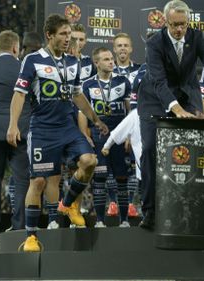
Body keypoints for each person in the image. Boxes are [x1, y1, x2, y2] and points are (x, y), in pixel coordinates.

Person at [7, 14, 108, 252]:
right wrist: (13, 124)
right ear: (49, 35)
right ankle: (31, 237)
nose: (67, 39)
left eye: (69, 34)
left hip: (67, 127)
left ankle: (69, 203)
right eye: (63, 34)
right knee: (39, 181)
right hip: (42, 129)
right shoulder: (32, 60)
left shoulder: (73, 63)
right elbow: (20, 93)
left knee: (89, 161)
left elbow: (76, 94)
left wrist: (95, 119)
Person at [137, 0, 204, 230]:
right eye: (174, 25)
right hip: (154, 101)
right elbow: (159, 82)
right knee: (150, 149)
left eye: (183, 24)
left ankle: (190, 206)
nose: (180, 30)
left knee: (191, 152)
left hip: (187, 96)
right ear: (165, 22)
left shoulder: (196, 37)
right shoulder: (155, 42)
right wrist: (177, 110)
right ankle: (149, 211)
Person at [0, 30, 30, 234]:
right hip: (21, 129)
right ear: (15, 48)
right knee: (21, 179)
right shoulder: (25, 68)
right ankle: (20, 227)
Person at [82, 46, 131, 228]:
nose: (112, 61)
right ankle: (100, 220)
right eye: (106, 59)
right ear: (96, 63)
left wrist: (129, 135)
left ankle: (125, 220)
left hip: (119, 135)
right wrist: (86, 134)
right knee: (100, 178)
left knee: (121, 178)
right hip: (99, 135)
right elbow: (83, 114)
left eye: (112, 58)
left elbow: (129, 111)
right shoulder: (88, 85)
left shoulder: (123, 81)